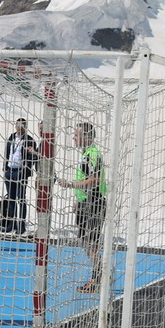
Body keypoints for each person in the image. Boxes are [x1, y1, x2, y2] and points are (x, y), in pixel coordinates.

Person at [57, 122, 107, 293]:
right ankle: (99, 275)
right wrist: (79, 199)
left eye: (77, 134)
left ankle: (97, 279)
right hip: (87, 202)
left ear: (86, 137)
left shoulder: (92, 155)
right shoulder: (86, 154)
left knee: (91, 244)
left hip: (94, 203)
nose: (74, 137)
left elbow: (94, 181)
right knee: (86, 244)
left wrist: (70, 184)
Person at [0, 118, 38, 234]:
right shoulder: (11, 137)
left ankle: (21, 226)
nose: (20, 127)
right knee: (10, 199)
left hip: (21, 172)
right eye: (18, 125)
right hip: (10, 170)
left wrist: (27, 169)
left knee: (21, 199)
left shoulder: (29, 140)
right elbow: (7, 152)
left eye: (22, 125)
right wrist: (5, 165)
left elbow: (32, 157)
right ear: (15, 125)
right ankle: (10, 224)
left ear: (26, 127)